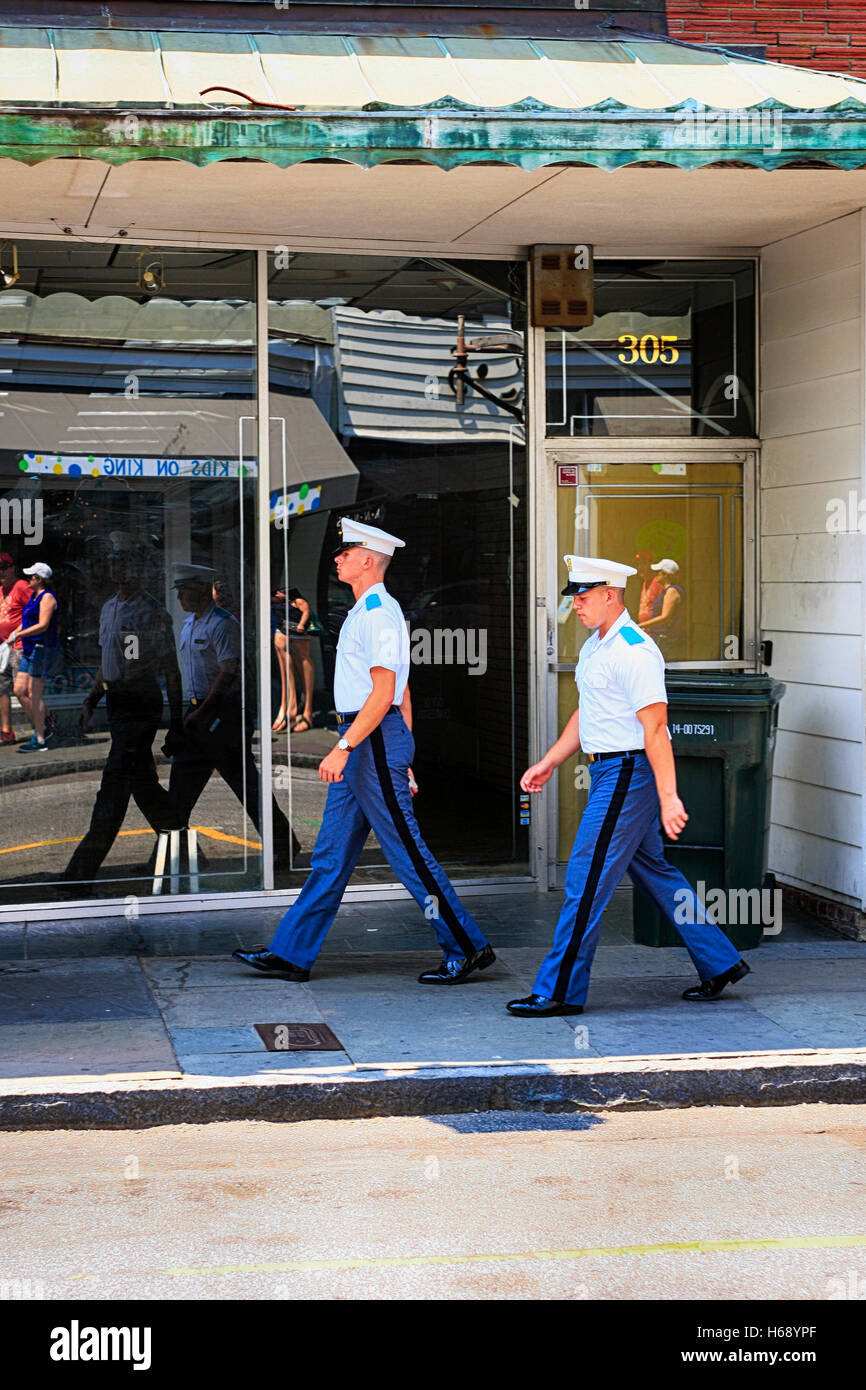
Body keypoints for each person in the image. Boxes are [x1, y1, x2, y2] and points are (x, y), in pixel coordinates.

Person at [233, 517, 494, 985]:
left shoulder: (377, 612)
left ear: (368, 560)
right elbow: (404, 695)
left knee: (408, 852)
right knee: (332, 856)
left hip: (368, 739)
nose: (337, 558)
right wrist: (402, 755)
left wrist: (345, 747)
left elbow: (386, 692)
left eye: (346, 553)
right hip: (372, 741)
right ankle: (292, 952)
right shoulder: (365, 610)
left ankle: (467, 945)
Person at [507, 553, 749, 1017]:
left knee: (585, 878)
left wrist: (668, 796)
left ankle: (559, 989)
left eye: (583, 596)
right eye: (574, 597)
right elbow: (589, 712)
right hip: (608, 771)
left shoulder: (634, 650)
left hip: (626, 774)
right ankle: (720, 962)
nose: (575, 605)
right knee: (655, 872)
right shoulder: (600, 645)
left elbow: (655, 728)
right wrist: (551, 762)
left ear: (610, 595)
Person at [60, 534, 186, 887]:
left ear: (140, 569)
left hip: (139, 704)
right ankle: (184, 848)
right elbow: (108, 664)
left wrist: (176, 721)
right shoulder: (109, 608)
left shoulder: (150, 612)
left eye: (127, 561)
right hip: (118, 703)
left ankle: (79, 872)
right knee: (143, 786)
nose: (120, 567)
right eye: (115, 561)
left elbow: (170, 669)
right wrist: (90, 700)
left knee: (113, 789)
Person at [167, 564, 299, 869]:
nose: (180, 597)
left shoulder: (223, 623)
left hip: (221, 715)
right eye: (178, 591)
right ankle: (176, 853)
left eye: (184, 590)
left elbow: (228, 674)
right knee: (179, 791)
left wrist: (201, 714)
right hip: (198, 712)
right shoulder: (189, 625)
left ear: (202, 590)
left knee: (248, 789)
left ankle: (284, 846)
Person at [9, 561, 61, 754]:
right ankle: (46, 721)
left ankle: (40, 739)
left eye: (31, 576)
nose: (28, 579)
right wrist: (14, 633)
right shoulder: (34, 596)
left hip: (43, 648)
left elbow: (43, 625)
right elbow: (27, 620)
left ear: (39, 579)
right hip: (31, 649)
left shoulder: (47, 597)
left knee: (35, 693)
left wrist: (20, 635)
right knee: (19, 690)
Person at [272, 587, 315, 734]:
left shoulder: (298, 601)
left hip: (297, 631)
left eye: (279, 592)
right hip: (285, 631)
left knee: (303, 659)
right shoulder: (281, 604)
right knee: (287, 657)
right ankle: (290, 705)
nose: (277, 595)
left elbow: (306, 612)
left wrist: (302, 625)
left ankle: (305, 711)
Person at [0, 553, 31, 745]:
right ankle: (6, 731)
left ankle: (43, 723)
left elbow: (36, 611)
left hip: (19, 645)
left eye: (4, 566)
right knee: (2, 690)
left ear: (12, 567)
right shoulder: (0, 589)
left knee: (23, 691)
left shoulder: (21, 586)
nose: (1, 571)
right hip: (3, 648)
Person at [639, 558, 685, 660]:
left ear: (666, 575)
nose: (656, 575)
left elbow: (665, 617)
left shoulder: (671, 591)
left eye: (659, 572)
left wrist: (641, 625)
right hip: (659, 637)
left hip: (665, 639)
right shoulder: (666, 591)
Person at [634, 549, 663, 625]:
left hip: (656, 632)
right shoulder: (644, 583)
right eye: (638, 564)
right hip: (645, 630)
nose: (640, 568)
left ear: (652, 565)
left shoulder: (659, 583)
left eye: (644, 564)